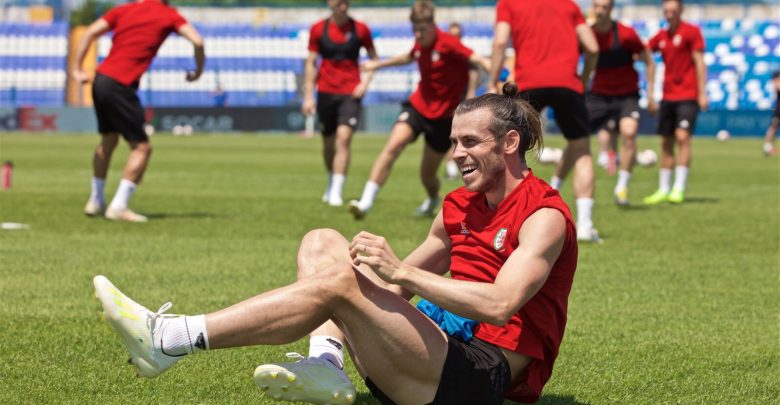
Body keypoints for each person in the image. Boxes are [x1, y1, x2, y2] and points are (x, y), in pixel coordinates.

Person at [93, 84, 579, 405]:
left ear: (509, 143)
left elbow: (499, 304)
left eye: (470, 142)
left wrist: (397, 271)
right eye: (454, 142)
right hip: (424, 351)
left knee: (343, 282)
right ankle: (326, 363)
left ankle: (170, 339)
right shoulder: (458, 206)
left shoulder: (544, 216)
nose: (456, 154)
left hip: (475, 377)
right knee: (322, 242)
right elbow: (393, 292)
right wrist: (365, 282)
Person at [348, 1, 490, 220]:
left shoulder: (449, 43)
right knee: (394, 145)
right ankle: (365, 203)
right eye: (414, 29)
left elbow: (476, 59)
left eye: (422, 29)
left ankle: (433, 198)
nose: (417, 34)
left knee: (427, 176)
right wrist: (377, 65)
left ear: (433, 25)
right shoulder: (421, 41)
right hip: (417, 107)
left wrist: (495, 70)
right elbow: (409, 56)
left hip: (443, 118)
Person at [72, 0, 204, 222]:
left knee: (108, 140)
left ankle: (96, 200)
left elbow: (90, 32)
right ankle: (119, 206)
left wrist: (77, 68)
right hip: (121, 84)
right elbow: (198, 41)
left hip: (101, 80)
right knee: (142, 148)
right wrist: (198, 71)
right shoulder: (168, 15)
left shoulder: (123, 10)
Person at [488, 0, 601, 242]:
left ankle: (503, 217)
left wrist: (492, 80)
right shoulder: (569, 5)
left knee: (508, 149)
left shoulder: (508, 3)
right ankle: (585, 224)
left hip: (529, 83)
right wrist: (583, 80)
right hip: (567, 83)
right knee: (581, 149)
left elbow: (500, 42)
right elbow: (592, 48)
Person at [303, 0, 378, 207]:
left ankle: (336, 191)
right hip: (325, 92)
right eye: (339, 2)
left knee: (343, 139)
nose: (343, 6)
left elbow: (374, 59)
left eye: (346, 2)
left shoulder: (361, 29)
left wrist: (365, 83)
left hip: (350, 93)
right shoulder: (318, 29)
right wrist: (308, 95)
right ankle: (331, 180)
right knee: (328, 143)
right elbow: (311, 62)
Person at [588, 0, 657, 206]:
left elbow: (649, 60)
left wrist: (650, 95)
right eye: (597, 6)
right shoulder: (588, 34)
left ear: (611, 9)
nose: (600, 11)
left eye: (604, 7)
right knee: (577, 137)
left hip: (627, 94)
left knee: (629, 132)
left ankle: (622, 187)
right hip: (599, 95)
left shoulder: (627, 34)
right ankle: (556, 184)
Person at [643, 0, 707, 205]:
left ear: (681, 10)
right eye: (666, 11)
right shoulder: (661, 36)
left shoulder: (691, 32)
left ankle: (678, 187)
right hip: (668, 96)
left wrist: (702, 93)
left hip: (688, 95)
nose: (669, 14)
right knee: (665, 142)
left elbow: (699, 62)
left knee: (682, 137)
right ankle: (663, 188)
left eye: (673, 11)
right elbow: (643, 52)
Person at [443, 21, 481, 181]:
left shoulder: (466, 56)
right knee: (447, 137)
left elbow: (474, 77)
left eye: (457, 35)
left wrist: (468, 102)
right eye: (452, 35)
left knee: (460, 136)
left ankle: (457, 168)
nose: (455, 38)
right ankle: (453, 167)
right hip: (444, 103)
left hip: (460, 102)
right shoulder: (443, 55)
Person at [763, 71, 779, 157]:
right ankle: (768, 147)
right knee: (773, 127)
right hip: (779, 110)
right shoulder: (776, 83)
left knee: (773, 128)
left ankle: (769, 147)